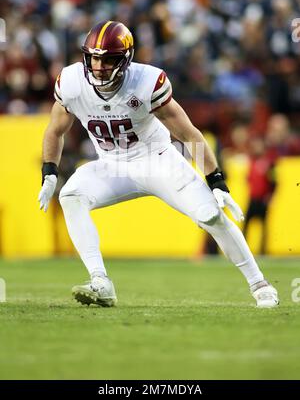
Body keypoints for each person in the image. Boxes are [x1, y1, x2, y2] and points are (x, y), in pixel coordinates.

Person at [38, 20, 279, 308]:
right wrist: (49, 172)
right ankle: (101, 282)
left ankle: (260, 285)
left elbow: (189, 134)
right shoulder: (72, 82)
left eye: (109, 59)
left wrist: (215, 179)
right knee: (71, 196)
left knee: (210, 216)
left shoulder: (146, 82)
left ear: (125, 60)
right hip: (112, 164)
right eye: (95, 58)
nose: (100, 66)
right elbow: (54, 130)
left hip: (158, 161)